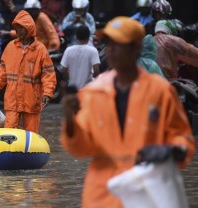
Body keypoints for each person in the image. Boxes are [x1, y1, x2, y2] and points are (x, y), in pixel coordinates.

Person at [60, 16, 195, 207]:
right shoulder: (94, 92)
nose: (111, 50)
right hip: (102, 196)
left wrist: (173, 151)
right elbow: (80, 149)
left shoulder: (160, 91)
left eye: (118, 44)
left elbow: (182, 137)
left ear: (135, 48)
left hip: (147, 193)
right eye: (109, 44)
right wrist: (70, 120)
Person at [0, 10, 57, 133]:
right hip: (12, 99)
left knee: (31, 135)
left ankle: (29, 153)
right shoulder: (10, 47)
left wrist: (47, 93)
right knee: (9, 134)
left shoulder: (40, 50)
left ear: (29, 29)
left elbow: (48, 74)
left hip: (32, 100)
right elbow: (2, 73)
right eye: (17, 28)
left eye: (22, 28)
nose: (19, 31)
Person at [60, 25, 100, 89]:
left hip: (72, 89)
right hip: (87, 89)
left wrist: (71, 79)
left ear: (76, 37)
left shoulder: (68, 50)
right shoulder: (93, 50)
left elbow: (63, 70)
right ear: (88, 37)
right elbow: (96, 71)